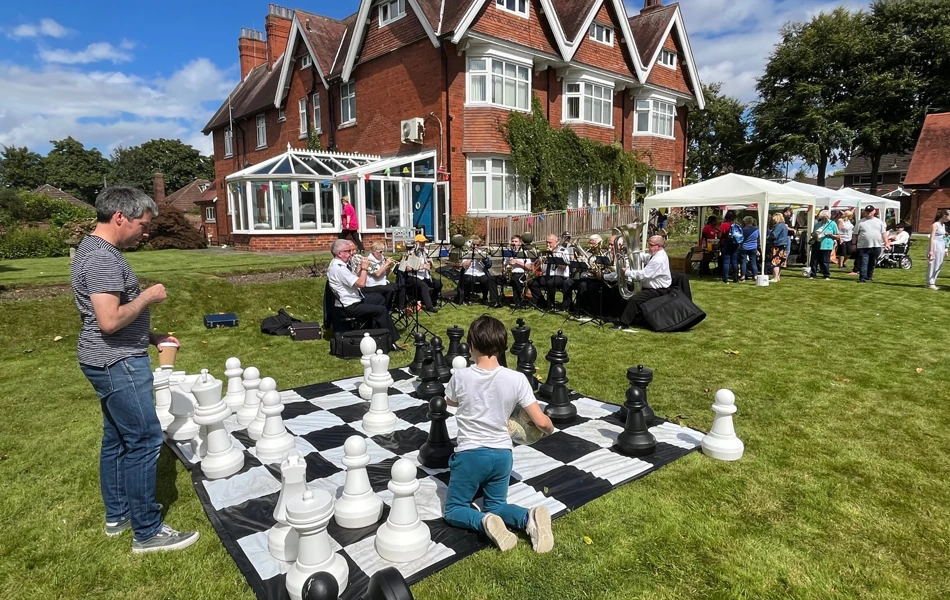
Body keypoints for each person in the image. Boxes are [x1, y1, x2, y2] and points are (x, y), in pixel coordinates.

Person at [71, 186, 199, 553]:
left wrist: (151, 334)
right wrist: (147, 297)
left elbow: (103, 320)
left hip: (107, 357)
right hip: (117, 362)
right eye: (142, 225)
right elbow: (109, 322)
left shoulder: (92, 250)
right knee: (144, 440)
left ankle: (118, 515)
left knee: (116, 438)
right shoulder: (102, 259)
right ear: (120, 217)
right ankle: (147, 531)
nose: (145, 232)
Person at [443, 315, 555, 552]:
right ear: (503, 345)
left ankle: (483, 521)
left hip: (470, 454)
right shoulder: (517, 379)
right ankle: (529, 517)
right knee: (496, 505)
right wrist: (548, 429)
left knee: (454, 508)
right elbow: (541, 421)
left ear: (471, 345)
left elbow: (450, 402)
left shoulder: (460, 376)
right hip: (503, 454)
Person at [327, 239, 401, 346]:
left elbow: (353, 279)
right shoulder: (339, 269)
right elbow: (361, 283)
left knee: (379, 299)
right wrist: (364, 269)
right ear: (340, 253)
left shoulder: (340, 265)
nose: (351, 254)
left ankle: (375, 331)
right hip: (350, 306)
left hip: (354, 299)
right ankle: (391, 341)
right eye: (348, 251)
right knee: (381, 310)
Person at [617, 235, 672, 328]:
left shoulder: (659, 259)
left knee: (634, 300)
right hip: (652, 287)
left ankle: (623, 324)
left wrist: (627, 272)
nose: (648, 247)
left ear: (658, 246)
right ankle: (628, 318)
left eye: (650, 245)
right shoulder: (656, 255)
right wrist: (630, 251)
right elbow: (645, 257)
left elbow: (644, 275)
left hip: (658, 290)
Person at [528, 233, 573, 310]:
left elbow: (563, 267)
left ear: (556, 242)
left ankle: (550, 305)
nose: (548, 244)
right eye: (547, 242)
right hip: (547, 275)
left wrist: (553, 255)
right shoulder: (544, 252)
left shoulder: (562, 251)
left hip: (560, 276)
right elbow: (541, 269)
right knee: (531, 282)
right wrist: (539, 263)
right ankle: (541, 302)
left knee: (550, 283)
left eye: (550, 242)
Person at [401, 234, 442, 312]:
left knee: (438, 283)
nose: (423, 244)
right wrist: (422, 267)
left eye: (424, 242)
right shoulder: (412, 253)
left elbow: (430, 267)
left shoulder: (426, 252)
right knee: (423, 285)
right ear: (416, 242)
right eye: (421, 242)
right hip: (413, 276)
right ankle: (429, 307)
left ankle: (433, 301)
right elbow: (408, 268)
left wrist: (431, 263)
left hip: (425, 276)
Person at [458, 236, 500, 307]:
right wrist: (471, 257)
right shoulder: (467, 253)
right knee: (468, 280)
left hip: (480, 273)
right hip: (469, 272)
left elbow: (489, 265)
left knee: (486, 280)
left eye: (477, 245)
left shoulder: (482, 253)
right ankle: (467, 298)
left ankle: (485, 297)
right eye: (473, 245)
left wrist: (481, 259)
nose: (475, 246)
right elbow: (464, 266)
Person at [853, 205, 889, 283]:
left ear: (874, 212)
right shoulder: (860, 222)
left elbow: (883, 233)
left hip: (876, 246)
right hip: (863, 246)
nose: (868, 213)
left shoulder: (879, 222)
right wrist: (854, 244)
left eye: (870, 211)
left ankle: (869, 276)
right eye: (867, 211)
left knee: (872, 263)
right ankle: (862, 278)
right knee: (864, 263)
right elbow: (855, 234)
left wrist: (887, 243)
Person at [363, 241, 397, 310]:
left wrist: (388, 267)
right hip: (372, 284)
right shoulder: (369, 261)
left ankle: (397, 307)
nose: (382, 253)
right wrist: (386, 264)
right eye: (380, 252)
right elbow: (377, 274)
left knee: (398, 286)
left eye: (383, 251)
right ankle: (386, 309)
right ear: (374, 251)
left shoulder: (382, 258)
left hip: (382, 282)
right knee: (390, 290)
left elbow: (386, 275)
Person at [809, 210, 839, 280]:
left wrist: (830, 234)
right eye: (822, 217)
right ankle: (813, 274)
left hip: (826, 244)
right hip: (817, 243)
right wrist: (814, 234)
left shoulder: (832, 224)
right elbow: (812, 234)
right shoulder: (818, 224)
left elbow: (838, 236)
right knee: (814, 260)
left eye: (825, 217)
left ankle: (826, 274)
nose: (824, 219)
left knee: (825, 260)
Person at [504, 235, 532, 308]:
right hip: (509, 274)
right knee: (492, 279)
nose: (514, 243)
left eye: (516, 241)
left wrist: (516, 261)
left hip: (520, 274)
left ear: (520, 243)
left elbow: (529, 267)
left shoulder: (524, 253)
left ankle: (518, 303)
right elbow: (503, 267)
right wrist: (504, 269)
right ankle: (495, 301)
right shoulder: (508, 253)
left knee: (515, 279)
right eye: (512, 241)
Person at [926, 210, 949, 290]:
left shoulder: (943, 225)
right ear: (944, 216)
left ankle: (933, 281)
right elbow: (932, 238)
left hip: (941, 245)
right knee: (933, 264)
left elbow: (945, 238)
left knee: (939, 264)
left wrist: (946, 250)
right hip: (935, 245)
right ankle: (930, 282)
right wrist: (931, 250)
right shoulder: (935, 225)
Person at [718, 210, 740, 283]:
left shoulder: (723, 225)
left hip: (725, 244)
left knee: (726, 262)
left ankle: (725, 279)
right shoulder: (737, 224)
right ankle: (735, 278)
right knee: (734, 261)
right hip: (735, 244)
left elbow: (719, 236)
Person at [767, 212, 789, 282]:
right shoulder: (784, 226)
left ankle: (775, 277)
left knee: (775, 262)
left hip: (777, 245)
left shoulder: (778, 226)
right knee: (780, 262)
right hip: (783, 245)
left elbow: (774, 235)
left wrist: (768, 237)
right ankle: (778, 277)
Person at [740, 216, 760, 282]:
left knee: (743, 262)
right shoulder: (757, 229)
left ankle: (743, 276)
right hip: (753, 247)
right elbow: (758, 238)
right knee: (753, 262)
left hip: (744, 247)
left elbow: (740, 239)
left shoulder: (742, 230)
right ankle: (755, 276)